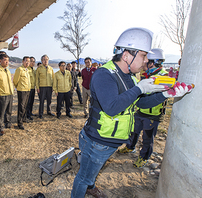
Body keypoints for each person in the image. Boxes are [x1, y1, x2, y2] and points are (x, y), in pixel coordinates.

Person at [71, 28, 193, 198]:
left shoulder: (130, 77)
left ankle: (90, 186)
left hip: (109, 140)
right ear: (127, 55)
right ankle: (86, 186)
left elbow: (140, 102)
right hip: (97, 141)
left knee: (91, 171)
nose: (146, 61)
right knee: (83, 177)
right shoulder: (104, 75)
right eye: (143, 56)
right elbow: (112, 107)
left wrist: (166, 94)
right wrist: (139, 88)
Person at [118, 48, 169, 167]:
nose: (144, 62)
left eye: (147, 60)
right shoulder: (146, 74)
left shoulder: (163, 76)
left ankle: (144, 157)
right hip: (140, 110)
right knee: (134, 132)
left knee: (147, 138)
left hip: (153, 114)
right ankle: (130, 147)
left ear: (153, 62)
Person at [0, 53, 14, 135]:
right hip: (1, 94)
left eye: (8, 60)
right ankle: (0, 127)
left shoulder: (7, 70)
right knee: (1, 112)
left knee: (9, 110)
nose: (7, 62)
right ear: (0, 60)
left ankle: (8, 123)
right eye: (5, 60)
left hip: (9, 93)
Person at [13, 56, 31, 130]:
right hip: (22, 90)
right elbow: (15, 80)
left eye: (29, 61)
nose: (27, 62)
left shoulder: (27, 70)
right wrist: (18, 87)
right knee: (21, 107)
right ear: (23, 61)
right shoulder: (19, 69)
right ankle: (19, 123)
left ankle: (23, 119)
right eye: (26, 61)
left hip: (27, 90)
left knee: (25, 106)